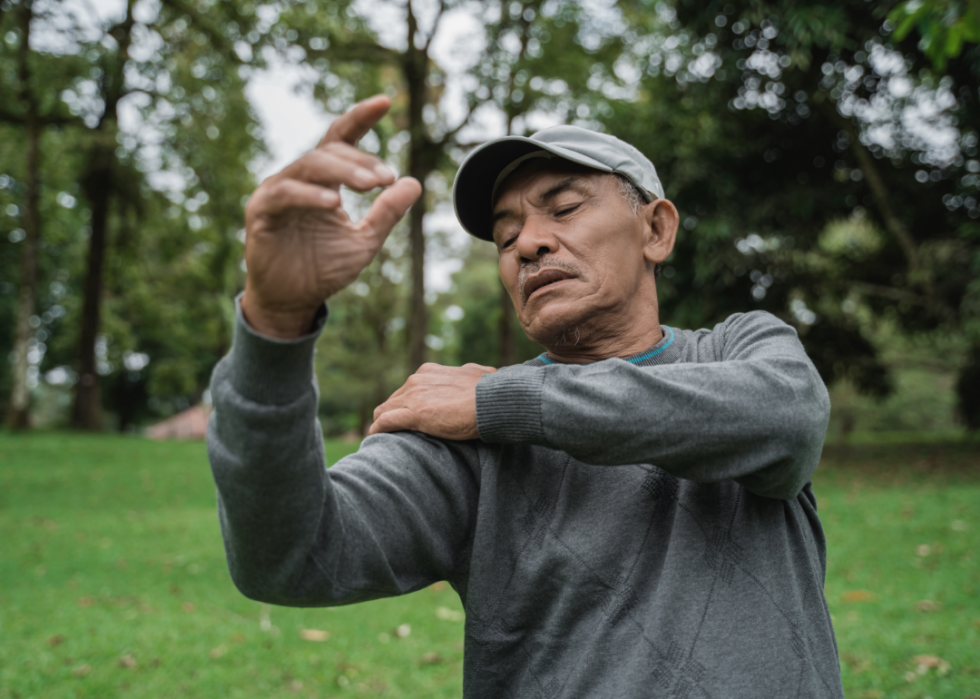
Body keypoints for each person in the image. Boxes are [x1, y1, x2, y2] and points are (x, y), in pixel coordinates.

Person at [207, 94, 844, 698]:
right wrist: (274, 325)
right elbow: (288, 557)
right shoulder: (462, 437)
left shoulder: (735, 350)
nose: (529, 245)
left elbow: (788, 420)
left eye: (564, 209)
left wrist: (503, 401)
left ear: (656, 228)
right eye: (506, 237)